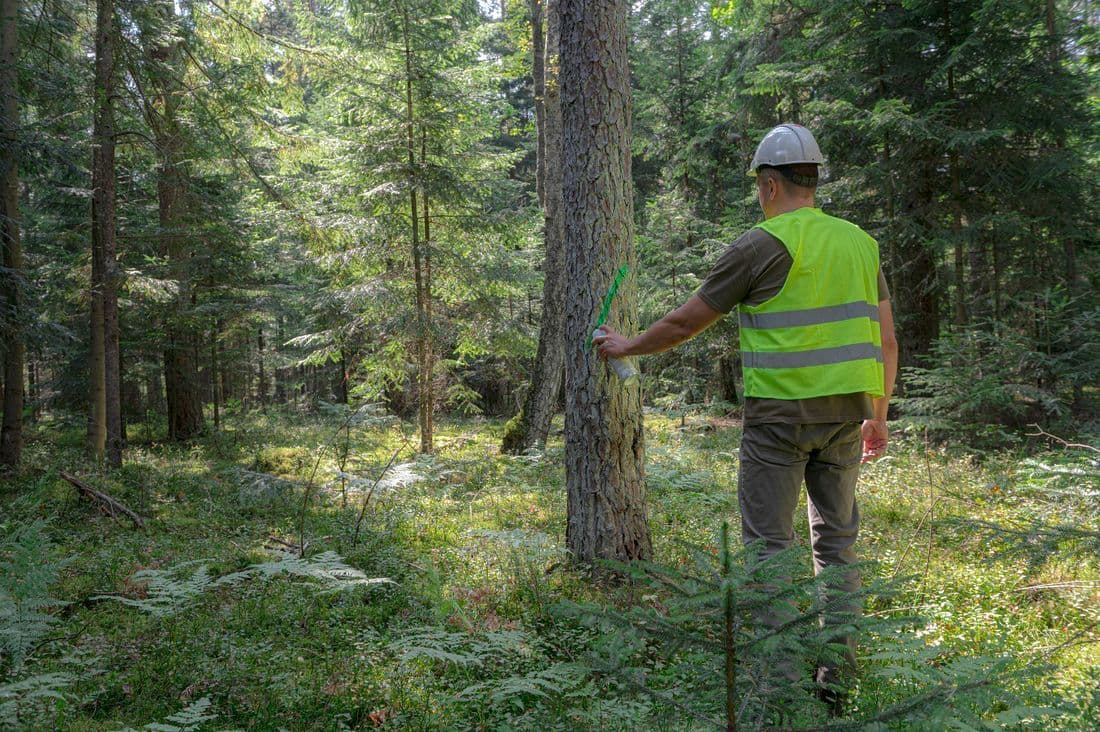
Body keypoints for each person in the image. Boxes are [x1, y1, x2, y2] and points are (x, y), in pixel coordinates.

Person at [593, 123, 899, 713]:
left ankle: (778, 688)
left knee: (768, 549)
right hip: (846, 417)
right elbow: (887, 342)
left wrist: (624, 347)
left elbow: (686, 323)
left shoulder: (760, 244)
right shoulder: (861, 243)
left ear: (769, 184)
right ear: (814, 179)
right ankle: (837, 675)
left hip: (778, 423)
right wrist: (878, 415)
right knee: (837, 545)